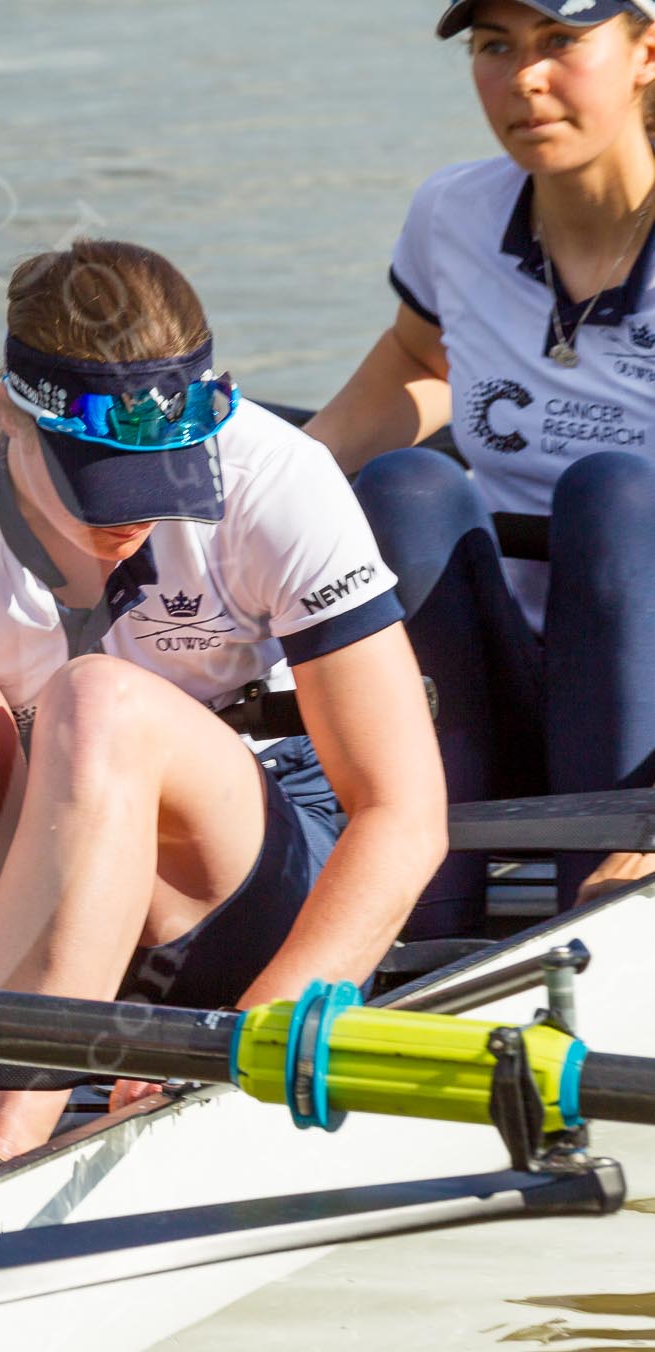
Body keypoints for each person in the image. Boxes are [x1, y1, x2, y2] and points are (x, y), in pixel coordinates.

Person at [0, 240, 446, 1167]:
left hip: (231, 891)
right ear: (6, 411)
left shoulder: (275, 479)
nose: (134, 518)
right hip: (5, 902)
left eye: (164, 476)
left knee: (100, 706)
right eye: (96, 479)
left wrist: (260, 1031)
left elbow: (405, 815)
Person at [305, 0, 655, 924]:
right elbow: (417, 365)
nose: (525, 79)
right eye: (496, 46)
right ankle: (424, 909)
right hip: (503, 680)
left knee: (616, 494)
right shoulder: (454, 212)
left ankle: (609, 907)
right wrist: (241, 504)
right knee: (405, 486)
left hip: (645, 723)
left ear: (646, 53)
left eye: (562, 44)